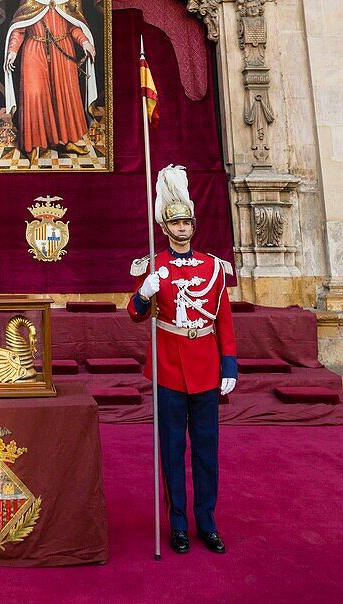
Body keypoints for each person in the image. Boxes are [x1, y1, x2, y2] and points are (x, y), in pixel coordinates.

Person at [128, 165, 237, 555]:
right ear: (165, 226)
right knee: (173, 452)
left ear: (192, 224)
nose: (182, 228)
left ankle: (206, 522)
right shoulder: (153, 265)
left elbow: (223, 319)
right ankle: (177, 524)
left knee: (206, 452)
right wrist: (144, 293)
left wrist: (229, 365)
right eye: (175, 222)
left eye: (187, 221)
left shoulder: (213, 267)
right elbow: (135, 313)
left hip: (207, 367)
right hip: (170, 368)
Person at [3, 0, 97, 163]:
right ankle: (33, 144)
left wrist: (85, 42)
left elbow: (74, 27)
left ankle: (67, 139)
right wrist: (12, 51)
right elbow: (19, 28)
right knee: (34, 96)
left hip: (62, 49)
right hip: (33, 49)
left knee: (65, 96)